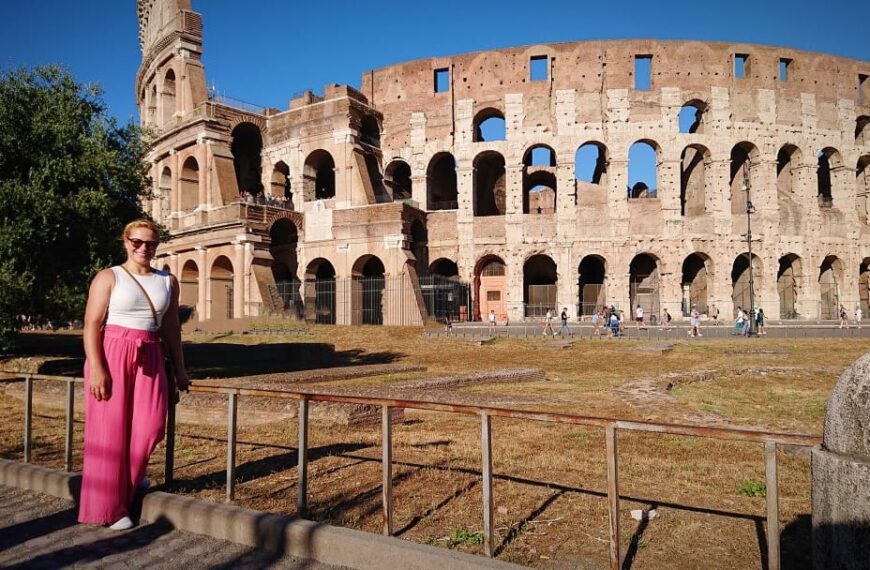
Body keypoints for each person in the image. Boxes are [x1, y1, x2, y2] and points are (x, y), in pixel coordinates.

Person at [78, 220, 190, 530]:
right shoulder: (109, 276)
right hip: (112, 352)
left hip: (150, 352)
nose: (144, 248)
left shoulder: (168, 281)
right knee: (110, 432)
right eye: (137, 242)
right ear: (126, 242)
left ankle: (130, 474)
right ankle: (111, 508)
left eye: (151, 243)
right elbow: (91, 324)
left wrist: (180, 370)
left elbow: (171, 329)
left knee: (152, 426)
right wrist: (97, 368)